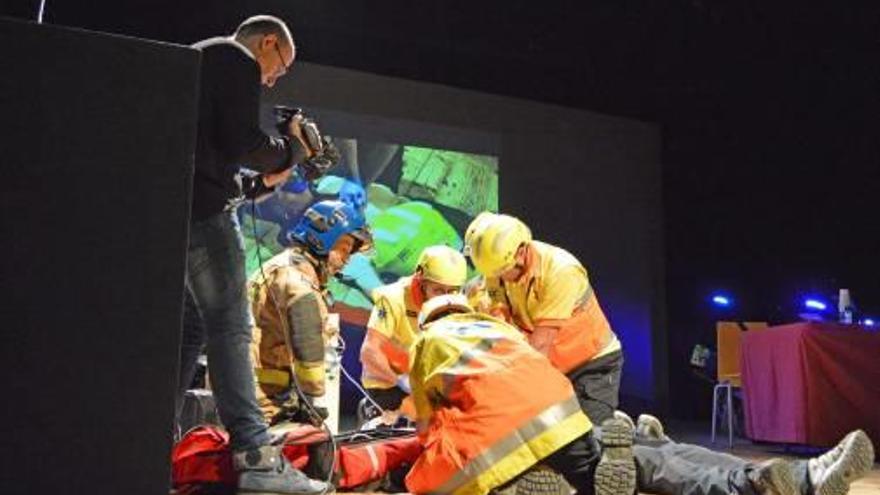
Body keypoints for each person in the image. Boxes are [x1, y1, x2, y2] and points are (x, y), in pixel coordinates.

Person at [408, 295, 875, 495]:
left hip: (510, 450)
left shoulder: (427, 342)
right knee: (651, 453)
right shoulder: (496, 329)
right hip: (561, 419)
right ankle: (777, 478)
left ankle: (775, 479)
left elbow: (424, 425)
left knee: (648, 457)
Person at [178, 15, 333, 494]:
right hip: (205, 218)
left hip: (185, 211)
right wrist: (291, 150)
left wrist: (269, 176)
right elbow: (245, 144)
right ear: (267, 44)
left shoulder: (199, 59)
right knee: (231, 327)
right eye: (279, 68)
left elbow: (218, 158)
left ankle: (154, 435)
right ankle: (258, 460)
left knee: (193, 332)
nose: (272, 79)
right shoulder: (234, 56)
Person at [464, 212, 623, 423]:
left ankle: (647, 441)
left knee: (590, 442)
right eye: (492, 274)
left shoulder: (561, 271)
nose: (497, 279)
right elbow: (500, 330)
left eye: (502, 271)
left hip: (590, 364)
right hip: (552, 366)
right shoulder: (497, 270)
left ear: (521, 253)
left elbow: (540, 348)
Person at [249, 200, 372, 425]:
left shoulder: (281, 266)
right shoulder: (299, 283)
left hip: (253, 393)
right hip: (266, 401)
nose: (346, 260)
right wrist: (314, 400)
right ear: (322, 240)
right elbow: (308, 345)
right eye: (343, 249)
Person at [358, 245, 467, 417]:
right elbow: (369, 352)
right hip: (389, 384)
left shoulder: (456, 302)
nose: (445, 298)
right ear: (421, 280)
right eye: (438, 290)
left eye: (452, 291)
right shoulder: (394, 298)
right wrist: (402, 381)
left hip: (426, 385)